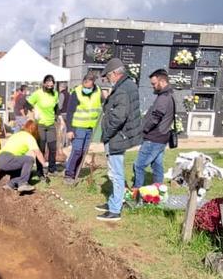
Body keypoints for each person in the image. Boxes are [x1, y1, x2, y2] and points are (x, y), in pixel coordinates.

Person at [96, 58, 141, 222]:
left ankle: (115, 210)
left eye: (108, 77)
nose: (108, 80)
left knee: (116, 173)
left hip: (117, 136)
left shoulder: (122, 90)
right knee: (115, 172)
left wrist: (107, 133)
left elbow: (118, 117)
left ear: (115, 73)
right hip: (121, 135)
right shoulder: (128, 84)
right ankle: (113, 201)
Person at [133, 68, 174, 188]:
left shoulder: (164, 98)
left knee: (139, 166)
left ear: (162, 82)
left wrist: (143, 129)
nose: (153, 87)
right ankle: (158, 191)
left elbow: (155, 118)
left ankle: (136, 194)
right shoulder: (168, 94)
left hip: (154, 138)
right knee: (157, 166)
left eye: (154, 84)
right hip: (161, 137)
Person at [63, 72, 101, 184]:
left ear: (93, 84)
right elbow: (70, 112)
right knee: (77, 151)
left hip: (90, 127)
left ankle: (76, 172)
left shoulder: (98, 91)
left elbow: (101, 103)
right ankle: (69, 174)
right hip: (78, 127)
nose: (86, 88)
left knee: (84, 152)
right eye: (85, 86)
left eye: (89, 86)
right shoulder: (76, 93)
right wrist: (70, 130)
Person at [0, 119, 47, 193]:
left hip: (0, 159)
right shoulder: (29, 137)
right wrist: (45, 165)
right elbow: (38, 152)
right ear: (33, 130)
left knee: (22, 168)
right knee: (29, 159)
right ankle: (23, 184)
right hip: (8, 159)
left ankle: (10, 185)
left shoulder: (17, 134)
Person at [25, 75, 59, 175]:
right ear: (44, 83)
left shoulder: (55, 94)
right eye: (48, 81)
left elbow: (56, 108)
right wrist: (33, 110)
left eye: (52, 82)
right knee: (41, 148)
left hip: (51, 124)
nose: (50, 83)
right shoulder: (38, 94)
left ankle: (52, 169)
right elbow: (27, 103)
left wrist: (60, 118)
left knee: (53, 148)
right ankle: (40, 171)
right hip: (40, 125)